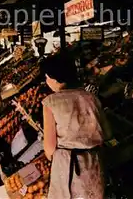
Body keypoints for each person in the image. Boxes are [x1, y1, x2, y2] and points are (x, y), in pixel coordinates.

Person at [42, 53, 112, 199]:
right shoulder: (91, 98)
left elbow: (49, 148)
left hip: (68, 166)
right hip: (94, 164)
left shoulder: (50, 102)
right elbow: (107, 133)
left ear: (54, 78)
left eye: (47, 77)